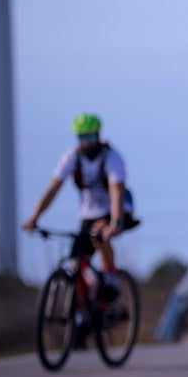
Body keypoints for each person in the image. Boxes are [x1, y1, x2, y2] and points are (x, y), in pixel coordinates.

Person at [22, 112, 131, 278]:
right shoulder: (71, 157)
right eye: (82, 137)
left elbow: (117, 193)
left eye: (92, 137)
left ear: (99, 136)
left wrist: (115, 223)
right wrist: (34, 218)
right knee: (76, 263)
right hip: (89, 212)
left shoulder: (112, 157)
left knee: (99, 235)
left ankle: (111, 280)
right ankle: (82, 300)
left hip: (116, 208)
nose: (87, 142)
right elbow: (53, 189)